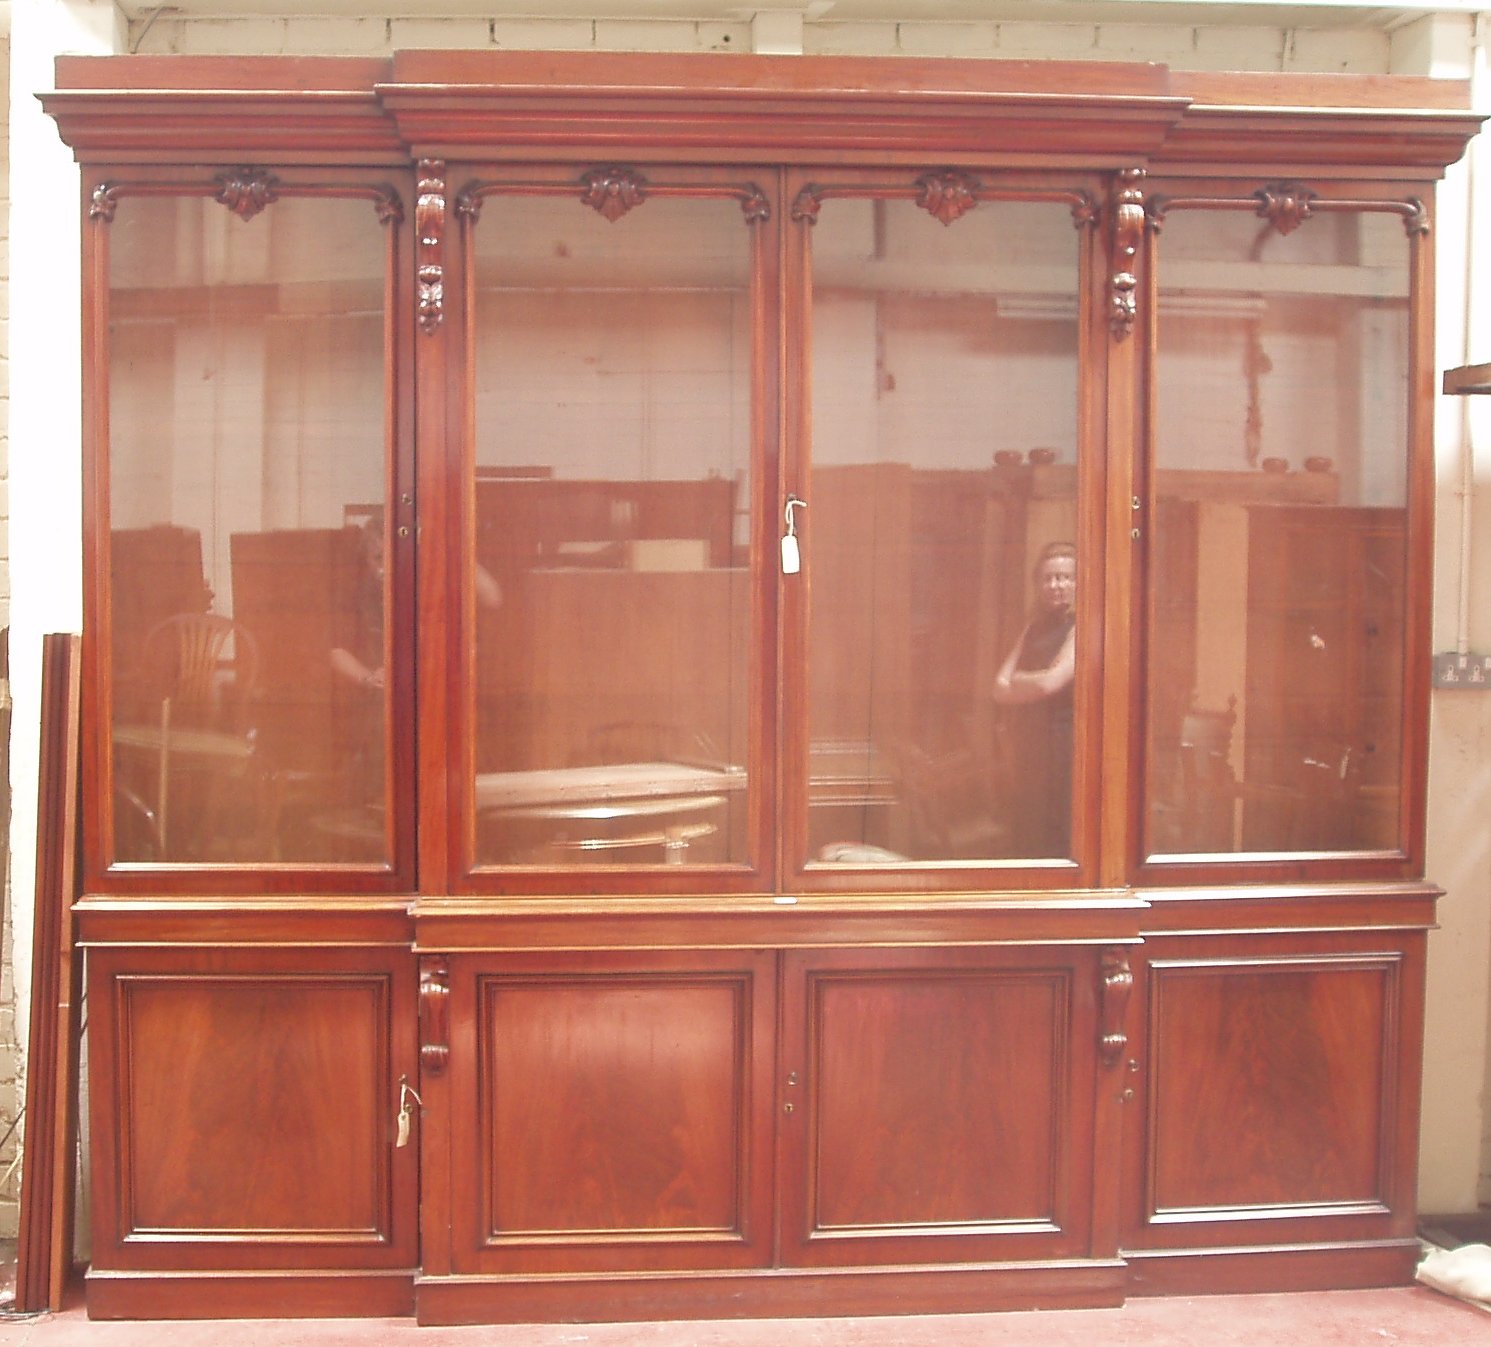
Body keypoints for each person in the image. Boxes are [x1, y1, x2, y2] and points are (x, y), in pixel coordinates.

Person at [993, 541, 1076, 857]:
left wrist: (1020, 682)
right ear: (1039, 584)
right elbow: (998, 688)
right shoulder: (1032, 628)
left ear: (1077, 583)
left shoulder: (1081, 628)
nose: (1057, 585)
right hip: (1030, 742)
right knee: (1026, 822)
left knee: (1057, 823)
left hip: (1062, 744)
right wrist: (1029, 682)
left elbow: (1050, 684)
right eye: (1049, 578)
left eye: (1065, 577)